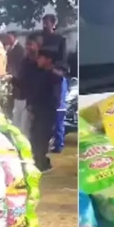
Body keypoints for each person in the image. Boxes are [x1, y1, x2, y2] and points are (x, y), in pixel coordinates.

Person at [28, 47, 66, 172]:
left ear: (49, 60)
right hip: (37, 111)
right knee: (34, 136)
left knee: (42, 137)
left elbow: (55, 98)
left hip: (45, 112)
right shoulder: (39, 73)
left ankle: (41, 162)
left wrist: (46, 112)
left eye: (41, 57)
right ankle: (38, 160)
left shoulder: (55, 77)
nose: (38, 60)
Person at [41, 14, 69, 153]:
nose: (45, 25)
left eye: (47, 23)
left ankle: (58, 144)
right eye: (43, 22)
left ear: (53, 24)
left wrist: (51, 66)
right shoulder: (40, 39)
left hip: (56, 79)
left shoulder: (60, 40)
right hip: (41, 79)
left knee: (58, 112)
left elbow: (63, 60)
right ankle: (44, 141)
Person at [12, 32, 42, 136]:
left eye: (30, 44)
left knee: (27, 132)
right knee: (17, 129)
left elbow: (38, 85)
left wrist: (32, 103)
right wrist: (11, 79)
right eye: (26, 44)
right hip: (21, 99)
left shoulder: (40, 65)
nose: (27, 47)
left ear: (38, 45)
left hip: (33, 103)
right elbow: (21, 81)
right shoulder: (25, 62)